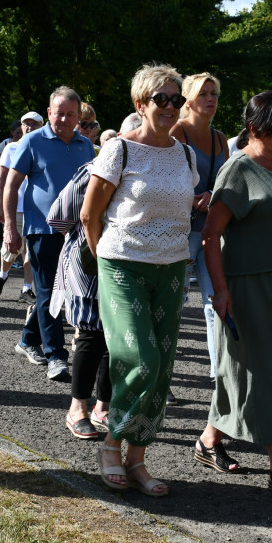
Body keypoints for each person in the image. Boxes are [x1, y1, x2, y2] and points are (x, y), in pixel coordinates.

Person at [193, 91, 272, 496]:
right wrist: (220, 290)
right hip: (253, 283)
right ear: (255, 128)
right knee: (268, 367)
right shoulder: (238, 169)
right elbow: (210, 236)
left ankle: (209, 438)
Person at [80, 63, 197, 497]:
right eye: (160, 99)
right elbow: (90, 214)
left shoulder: (184, 154)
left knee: (162, 367)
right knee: (140, 357)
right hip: (122, 264)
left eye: (176, 99)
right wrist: (105, 259)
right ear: (140, 104)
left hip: (171, 268)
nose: (170, 107)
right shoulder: (119, 151)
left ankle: (138, 458)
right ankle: (111, 444)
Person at [4, 88, 96, 381]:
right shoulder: (32, 141)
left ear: (79, 116)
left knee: (65, 292)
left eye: (71, 114)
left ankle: (28, 338)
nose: (65, 119)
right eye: (60, 113)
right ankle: (57, 355)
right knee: (47, 292)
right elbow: (10, 186)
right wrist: (9, 226)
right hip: (42, 230)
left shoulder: (86, 146)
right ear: (49, 112)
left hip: (77, 232)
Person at [170, 72, 229, 379]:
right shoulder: (177, 132)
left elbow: (227, 182)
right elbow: (168, 179)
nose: (210, 99)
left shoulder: (220, 138)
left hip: (211, 231)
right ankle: (163, 376)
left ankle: (220, 374)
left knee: (216, 299)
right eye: (204, 93)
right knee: (171, 304)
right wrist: (194, 198)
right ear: (188, 100)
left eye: (214, 94)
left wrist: (217, 197)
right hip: (182, 229)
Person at [47, 160, 112, 440]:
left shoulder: (160, 161)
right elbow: (58, 216)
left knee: (117, 337)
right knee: (91, 332)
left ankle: (103, 408)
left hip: (135, 260)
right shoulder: (96, 168)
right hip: (91, 258)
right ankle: (77, 409)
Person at [0, 112, 39, 302]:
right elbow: (2, 179)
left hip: (37, 208)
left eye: (34, 125)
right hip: (15, 206)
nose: (29, 128)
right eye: (26, 124)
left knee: (31, 250)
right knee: (11, 248)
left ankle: (26, 289)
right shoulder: (11, 148)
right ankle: (3, 274)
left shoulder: (44, 148)